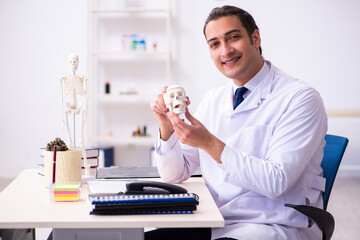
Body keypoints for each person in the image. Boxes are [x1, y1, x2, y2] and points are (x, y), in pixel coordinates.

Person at [148, 5, 327, 240]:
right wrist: (167, 127)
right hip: (217, 220)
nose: (225, 51)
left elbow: (277, 182)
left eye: (233, 38)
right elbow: (174, 174)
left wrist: (210, 143)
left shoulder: (300, 98)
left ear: (255, 37)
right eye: (215, 44)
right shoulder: (213, 100)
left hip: (274, 225)